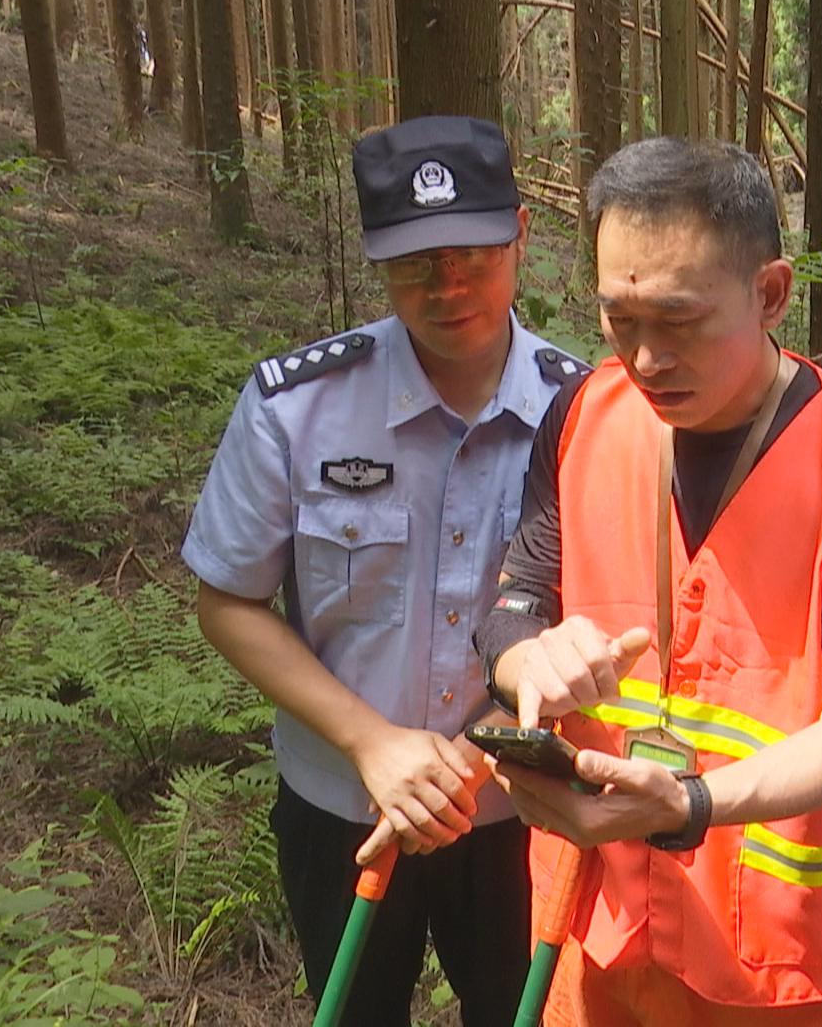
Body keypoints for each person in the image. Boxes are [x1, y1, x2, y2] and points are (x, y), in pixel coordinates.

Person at [471, 137, 822, 1026]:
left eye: (679, 323)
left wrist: (690, 805)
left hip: (768, 952)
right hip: (596, 915)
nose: (646, 359)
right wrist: (530, 663)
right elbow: (510, 609)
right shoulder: (580, 418)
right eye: (620, 319)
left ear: (770, 293)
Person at [183, 115, 586, 1026]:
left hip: (524, 813)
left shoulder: (589, 412)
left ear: (520, 233)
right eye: (415, 263)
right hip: (340, 809)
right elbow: (228, 600)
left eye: (472, 256)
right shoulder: (298, 407)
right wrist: (375, 744)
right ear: (377, 260)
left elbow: (596, 616)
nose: (446, 288)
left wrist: (473, 752)